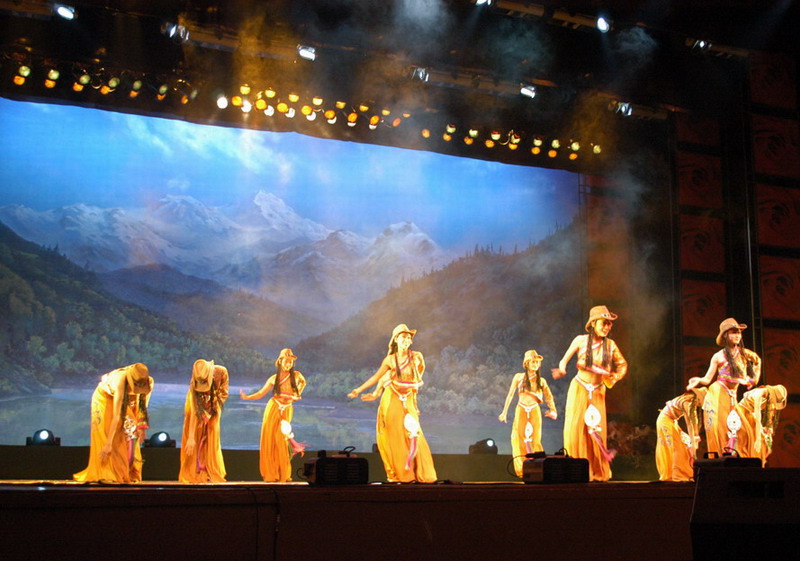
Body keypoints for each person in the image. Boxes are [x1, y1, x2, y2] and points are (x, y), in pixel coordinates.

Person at [348, 324, 437, 483]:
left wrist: (412, 388)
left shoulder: (417, 356)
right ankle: (402, 474)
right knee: (394, 435)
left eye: (409, 337)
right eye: (403, 337)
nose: (406, 340)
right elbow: (377, 377)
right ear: (396, 339)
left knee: (414, 433)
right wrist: (359, 390)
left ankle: (421, 474)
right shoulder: (390, 360)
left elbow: (420, 373)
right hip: (392, 397)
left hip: (408, 398)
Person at [552, 305, 628, 481]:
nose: (607, 327)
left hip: (598, 391)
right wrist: (562, 369)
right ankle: (574, 470)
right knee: (575, 429)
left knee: (596, 430)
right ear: (593, 323)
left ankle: (597, 470)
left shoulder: (611, 345)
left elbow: (622, 365)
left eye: (609, 324)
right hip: (579, 388)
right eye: (604, 323)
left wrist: (614, 377)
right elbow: (564, 361)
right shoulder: (580, 340)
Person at [686, 318, 761, 456]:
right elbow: (707, 379)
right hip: (719, 393)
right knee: (719, 428)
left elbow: (757, 361)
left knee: (743, 429)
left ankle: (737, 458)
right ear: (725, 335)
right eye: (733, 332)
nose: (737, 335)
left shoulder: (744, 353)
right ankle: (720, 458)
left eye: (739, 332)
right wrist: (699, 380)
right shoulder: (718, 356)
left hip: (733, 395)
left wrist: (754, 379)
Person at [74, 363, 153, 483]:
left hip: (129, 399)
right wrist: (108, 444)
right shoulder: (120, 381)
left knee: (131, 430)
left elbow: (142, 406)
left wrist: (141, 427)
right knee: (106, 432)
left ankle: (128, 472)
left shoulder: (148, 382)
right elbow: (117, 416)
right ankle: (106, 473)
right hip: (105, 398)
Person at [240, 348, 306, 482]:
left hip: (286, 409)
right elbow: (260, 393)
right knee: (270, 439)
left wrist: (298, 392)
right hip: (274, 407)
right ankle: (272, 473)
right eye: (286, 361)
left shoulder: (297, 375)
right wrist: (247, 397)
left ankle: (283, 474)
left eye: (291, 362)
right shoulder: (273, 378)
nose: (288, 364)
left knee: (281, 440)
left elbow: (303, 382)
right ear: (280, 361)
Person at [499, 349, 558, 478]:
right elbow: (510, 395)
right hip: (521, 409)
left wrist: (553, 410)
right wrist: (504, 412)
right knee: (519, 439)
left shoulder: (541, 381)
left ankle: (539, 468)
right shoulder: (518, 377)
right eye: (533, 362)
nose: (535, 364)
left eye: (537, 362)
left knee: (536, 439)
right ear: (526, 363)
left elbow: (549, 397)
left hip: (534, 410)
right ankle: (522, 469)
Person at [179, 359, 230, 483]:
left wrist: (212, 407)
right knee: (195, 439)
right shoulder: (195, 383)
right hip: (197, 407)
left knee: (211, 437)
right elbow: (194, 413)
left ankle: (210, 471)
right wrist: (191, 437)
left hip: (213, 406)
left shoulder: (221, 372)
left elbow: (224, 394)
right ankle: (195, 472)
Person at [655, 387, 706, 481]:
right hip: (665, 421)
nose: (699, 405)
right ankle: (676, 475)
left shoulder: (690, 403)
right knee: (676, 446)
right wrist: (693, 442)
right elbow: (689, 424)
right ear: (697, 399)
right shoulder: (686, 403)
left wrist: (695, 437)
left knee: (684, 445)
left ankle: (681, 473)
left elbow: (694, 421)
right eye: (700, 402)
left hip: (672, 421)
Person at [737, 384, 787, 465]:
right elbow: (757, 416)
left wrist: (766, 430)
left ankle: (758, 462)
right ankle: (747, 459)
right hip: (742, 413)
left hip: (750, 415)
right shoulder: (759, 394)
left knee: (763, 441)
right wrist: (758, 438)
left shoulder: (767, 399)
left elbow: (767, 418)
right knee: (750, 439)